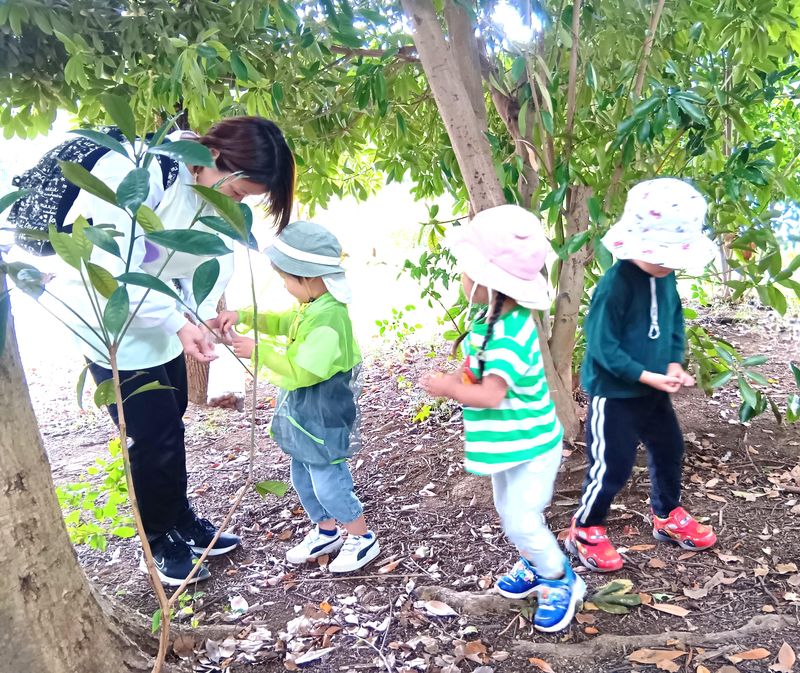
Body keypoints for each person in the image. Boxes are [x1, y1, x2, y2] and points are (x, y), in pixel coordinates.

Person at [29, 117, 295, 585]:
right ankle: (156, 541)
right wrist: (179, 322)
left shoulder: (204, 188)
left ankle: (179, 520)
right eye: (237, 192)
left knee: (171, 420)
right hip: (111, 322)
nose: (236, 203)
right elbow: (112, 267)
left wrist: (200, 315)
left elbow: (195, 259)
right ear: (214, 156)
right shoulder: (139, 174)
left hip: (161, 319)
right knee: (150, 434)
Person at [420, 205, 585, 634]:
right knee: (510, 512)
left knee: (520, 519)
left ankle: (559, 578)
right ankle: (534, 560)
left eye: (466, 269)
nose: (461, 276)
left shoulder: (511, 333)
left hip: (531, 445)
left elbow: (491, 394)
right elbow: (477, 369)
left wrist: (449, 388)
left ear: (487, 281)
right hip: (510, 441)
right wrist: (459, 377)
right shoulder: (488, 319)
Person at [566, 178, 718, 573]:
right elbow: (602, 347)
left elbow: (673, 322)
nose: (667, 265)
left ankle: (667, 514)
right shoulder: (614, 286)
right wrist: (645, 375)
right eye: (662, 255)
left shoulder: (665, 277)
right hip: (614, 393)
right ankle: (586, 527)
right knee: (612, 464)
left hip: (652, 391)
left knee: (669, 448)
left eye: (673, 258)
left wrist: (673, 362)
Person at [214, 221, 379, 573]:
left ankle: (361, 537)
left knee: (329, 483)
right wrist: (242, 316)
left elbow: (303, 371)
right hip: (305, 415)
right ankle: (326, 531)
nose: (285, 286)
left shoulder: (329, 319)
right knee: (302, 477)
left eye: (287, 279)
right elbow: (282, 321)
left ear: (309, 278)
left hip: (325, 416)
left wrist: (258, 351)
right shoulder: (313, 305)